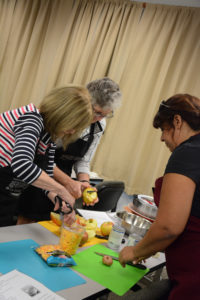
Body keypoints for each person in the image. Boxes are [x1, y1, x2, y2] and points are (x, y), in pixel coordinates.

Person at [119, 94, 200, 299]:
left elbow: (169, 226)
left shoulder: (188, 152)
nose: (162, 137)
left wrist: (135, 251)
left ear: (177, 121)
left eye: (164, 129)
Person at [16, 77, 122, 224]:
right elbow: (30, 161)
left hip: (46, 177)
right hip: (32, 176)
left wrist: (82, 183)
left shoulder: (97, 125)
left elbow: (78, 160)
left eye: (105, 115)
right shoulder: (35, 119)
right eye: (97, 112)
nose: (99, 119)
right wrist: (64, 188)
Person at [0, 85, 93, 227]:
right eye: (73, 124)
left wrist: (61, 201)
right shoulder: (30, 119)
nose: (72, 130)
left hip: (6, 199)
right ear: (61, 114)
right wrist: (62, 190)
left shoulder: (49, 136)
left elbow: (46, 177)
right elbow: (22, 165)